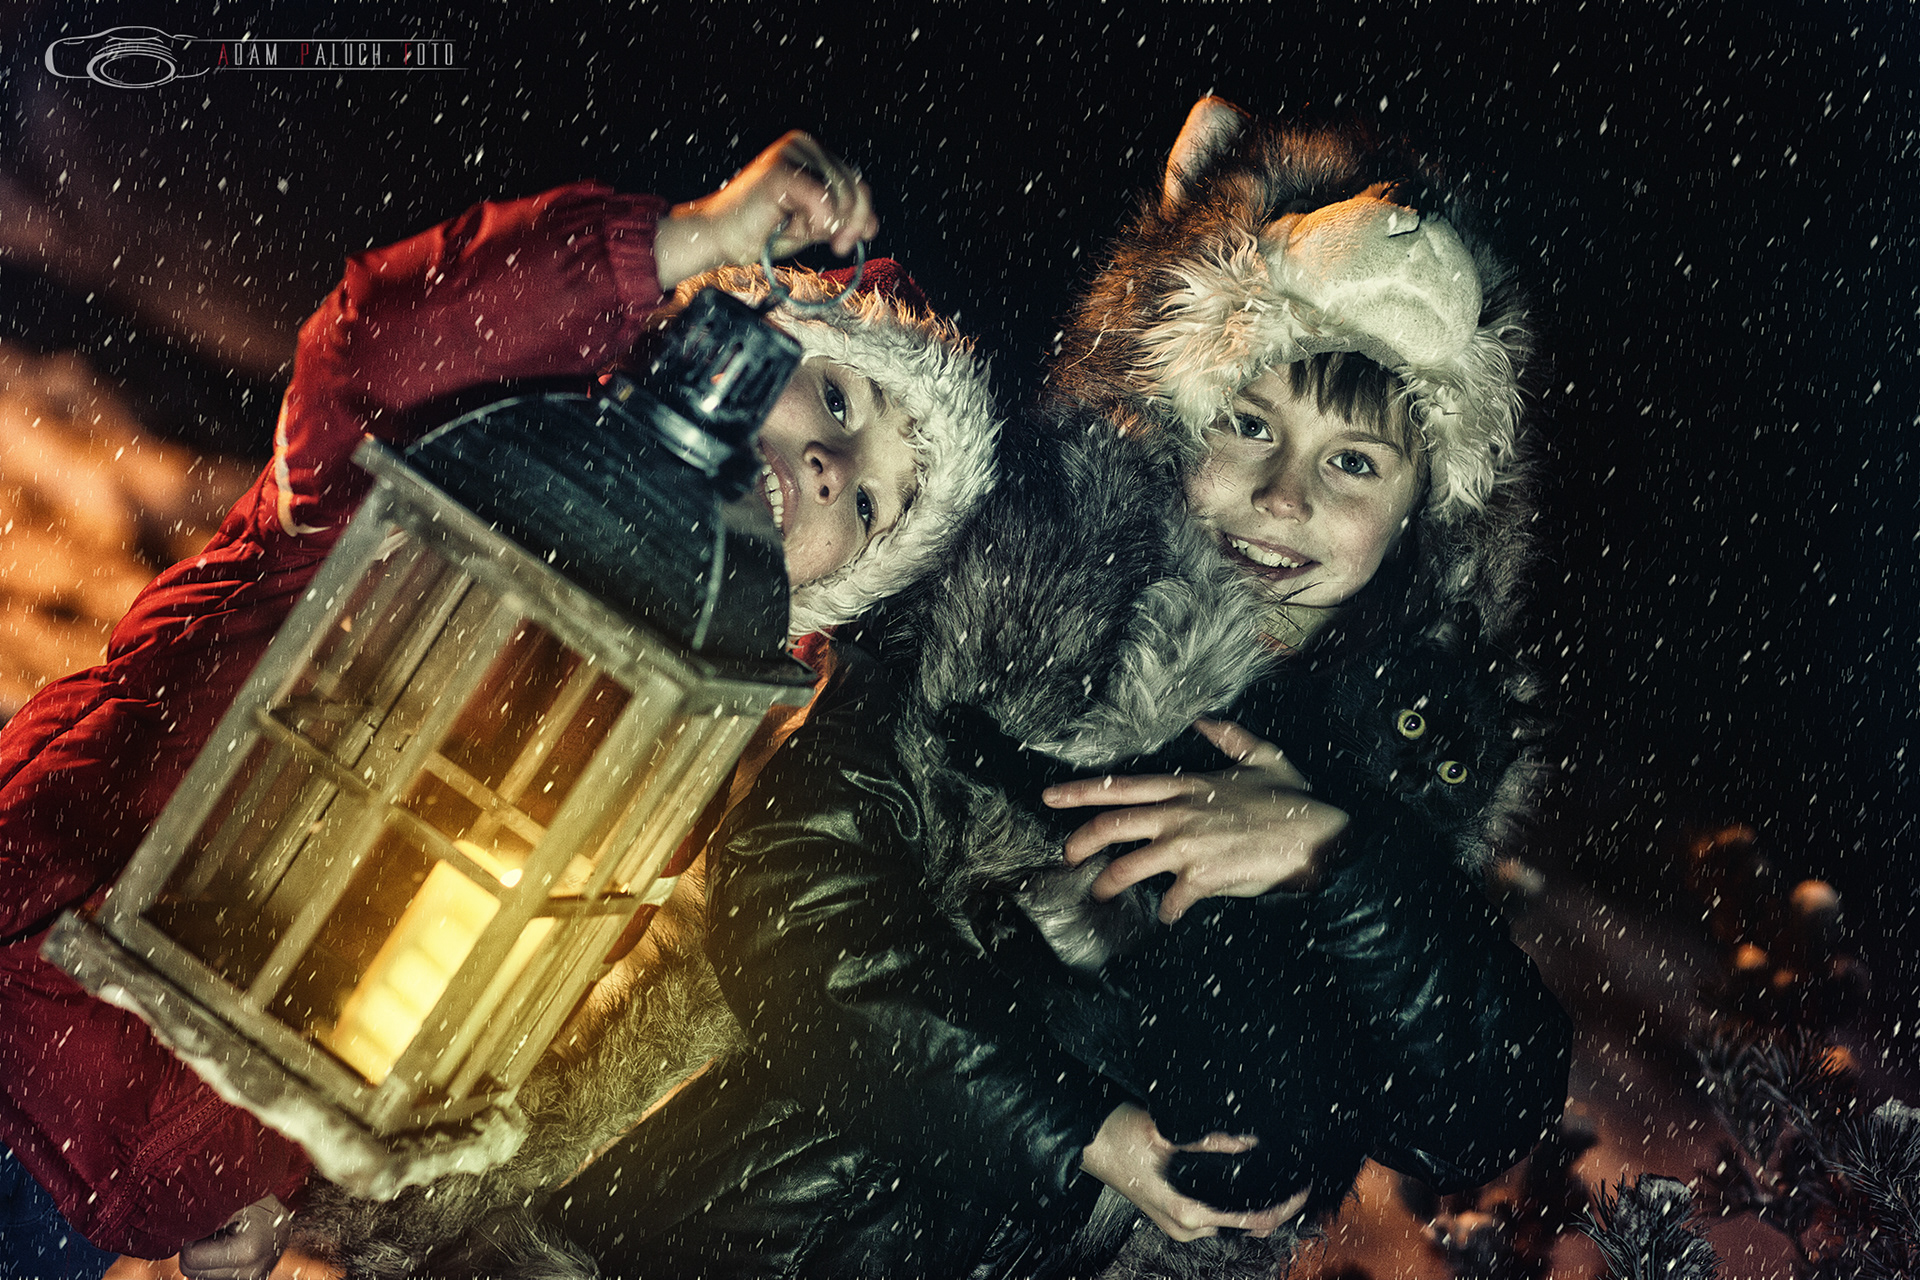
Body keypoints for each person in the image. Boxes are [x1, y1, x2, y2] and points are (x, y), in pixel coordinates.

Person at [532, 101, 1568, 1280]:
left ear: (1424, 505)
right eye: (1249, 424)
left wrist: (1337, 855)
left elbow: (1474, 1110)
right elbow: (790, 897)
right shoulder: (1018, 579)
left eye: (1353, 462)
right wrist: (1083, 1133)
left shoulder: (1407, 764)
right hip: (744, 1221)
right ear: (1180, 412)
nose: (1285, 496)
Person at [0, 130, 1003, 1279]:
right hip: (30, 967)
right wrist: (684, 244)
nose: (832, 463)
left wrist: (272, 1169)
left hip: (129, 1192)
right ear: (725, 340)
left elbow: (429, 1005)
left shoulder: (666, 747)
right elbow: (374, 345)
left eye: (870, 505)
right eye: (834, 392)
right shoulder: (462, 456)